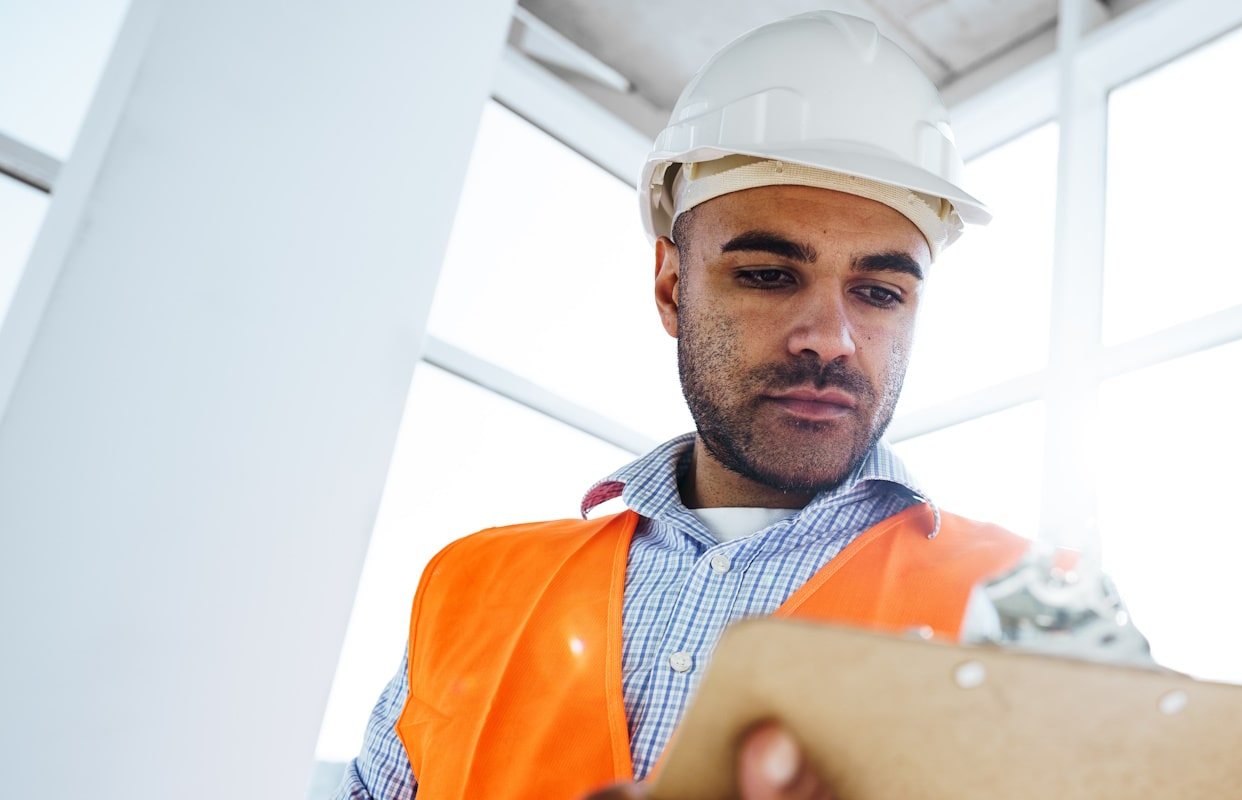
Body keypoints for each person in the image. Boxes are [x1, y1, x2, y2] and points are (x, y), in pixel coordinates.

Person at [339, 11, 1031, 799]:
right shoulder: (467, 585)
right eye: (769, 274)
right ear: (672, 286)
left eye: (878, 292)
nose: (830, 339)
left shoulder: (1021, 606)